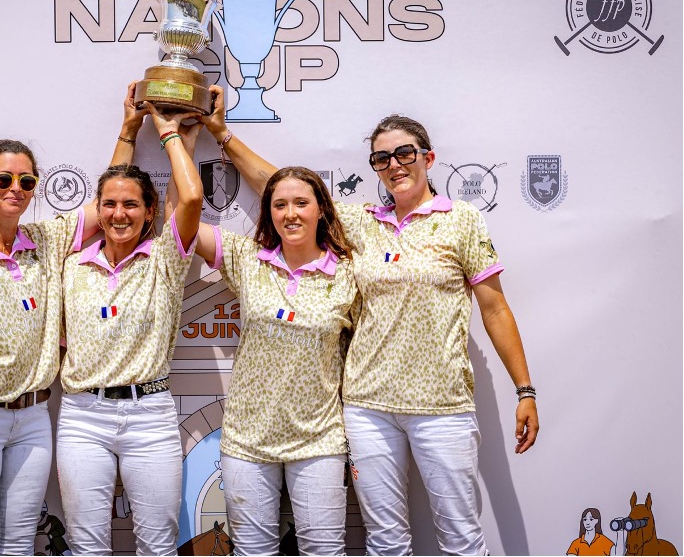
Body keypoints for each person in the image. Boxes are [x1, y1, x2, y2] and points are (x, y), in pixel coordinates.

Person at [192, 88, 540, 555]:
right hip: (366, 409)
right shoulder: (359, 224)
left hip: (442, 407)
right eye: (382, 159)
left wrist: (525, 389)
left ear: (428, 158)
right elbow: (284, 188)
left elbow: (495, 308)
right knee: (386, 541)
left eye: (404, 153)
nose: (395, 165)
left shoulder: (462, 220)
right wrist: (221, 134)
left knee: (460, 537)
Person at [0, 91, 142, 555]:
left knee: (19, 544)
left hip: (36, 420)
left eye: (26, 179)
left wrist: (129, 131)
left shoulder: (44, 239)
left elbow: (106, 203)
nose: (15, 188)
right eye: (3, 178)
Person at [170, 97, 358, 556]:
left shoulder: (351, 269)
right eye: (279, 204)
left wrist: (227, 136)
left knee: (325, 552)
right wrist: (182, 139)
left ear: (321, 210)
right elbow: (184, 223)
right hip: (246, 442)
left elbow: (276, 181)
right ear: (268, 212)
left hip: (319, 440)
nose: (290, 213)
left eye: (301, 203)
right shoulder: (247, 259)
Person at [56, 99, 203, 555]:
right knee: (87, 544)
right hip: (82, 417)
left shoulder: (165, 258)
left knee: (157, 545)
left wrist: (167, 132)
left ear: (150, 210)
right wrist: (126, 128)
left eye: (131, 205)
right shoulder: (70, 262)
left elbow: (193, 197)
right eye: (110, 204)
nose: (119, 213)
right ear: (97, 211)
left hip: (149, 417)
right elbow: (111, 185)